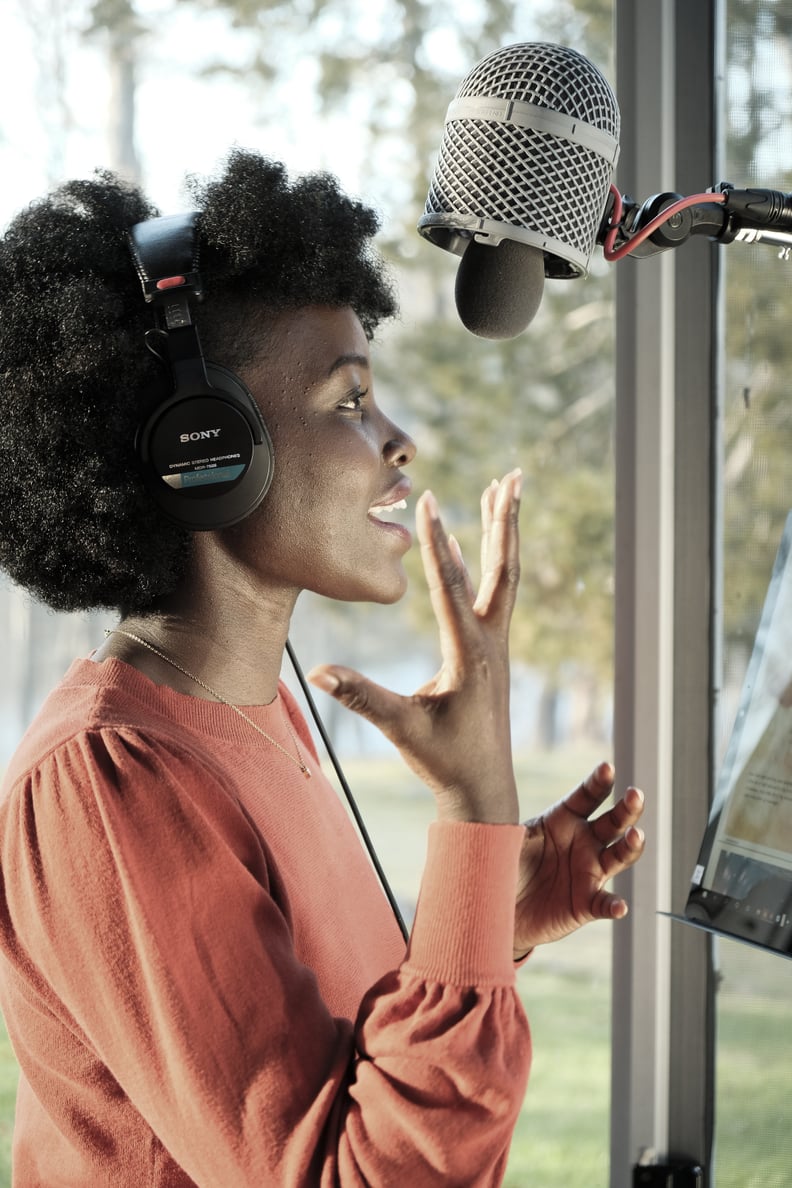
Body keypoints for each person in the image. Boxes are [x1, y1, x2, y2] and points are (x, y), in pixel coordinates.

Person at [0, 148, 645, 1186]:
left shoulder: (265, 714)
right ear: (205, 446)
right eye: (349, 404)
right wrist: (475, 800)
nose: (400, 443)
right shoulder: (108, 780)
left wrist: (482, 918)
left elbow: (338, 1049)